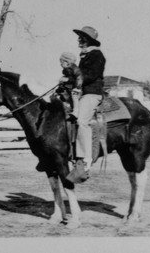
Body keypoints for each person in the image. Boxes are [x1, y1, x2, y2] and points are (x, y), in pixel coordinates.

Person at [67, 26, 106, 184]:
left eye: (82, 38)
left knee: (82, 121)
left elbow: (91, 76)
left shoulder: (96, 55)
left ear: (88, 41)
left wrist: (74, 77)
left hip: (92, 93)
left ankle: (86, 158)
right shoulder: (85, 56)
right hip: (82, 92)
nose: (79, 40)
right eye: (79, 38)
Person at [55, 52, 82, 118]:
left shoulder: (74, 69)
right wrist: (58, 89)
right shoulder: (67, 70)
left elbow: (79, 78)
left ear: (67, 62)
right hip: (69, 88)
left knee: (74, 94)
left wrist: (68, 80)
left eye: (61, 62)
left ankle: (76, 112)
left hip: (77, 88)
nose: (60, 64)